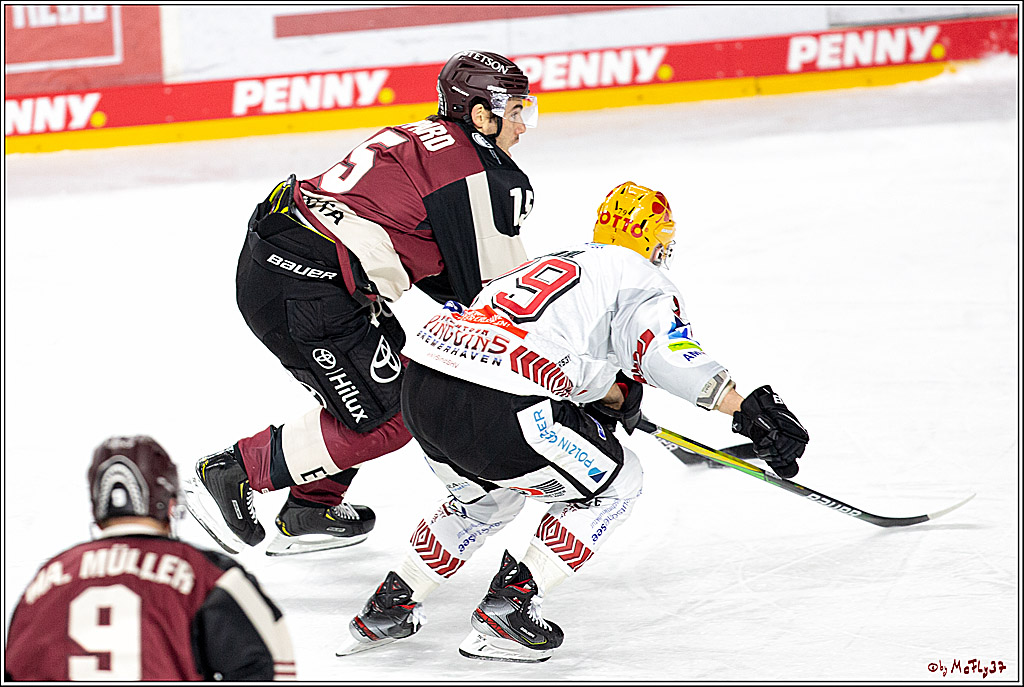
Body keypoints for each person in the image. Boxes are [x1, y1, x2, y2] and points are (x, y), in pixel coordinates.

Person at [335, 181, 810, 663]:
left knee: (485, 499)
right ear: (654, 238)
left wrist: (605, 392)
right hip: (502, 403)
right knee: (620, 481)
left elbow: (534, 342)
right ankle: (508, 606)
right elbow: (667, 354)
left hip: (426, 390)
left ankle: (389, 604)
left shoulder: (554, 261)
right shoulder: (638, 275)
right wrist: (745, 408)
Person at [184, 50, 539, 556]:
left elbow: (445, 268)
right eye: (518, 111)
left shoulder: (424, 137)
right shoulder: (480, 177)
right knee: (394, 414)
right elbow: (506, 303)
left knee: (400, 381)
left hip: (293, 261)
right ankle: (232, 471)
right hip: (308, 287)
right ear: (481, 115)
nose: (523, 126)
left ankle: (311, 504)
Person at [4, 436, 296, 681]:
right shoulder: (207, 576)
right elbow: (274, 667)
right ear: (169, 505)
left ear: (97, 506)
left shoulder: (45, 583)